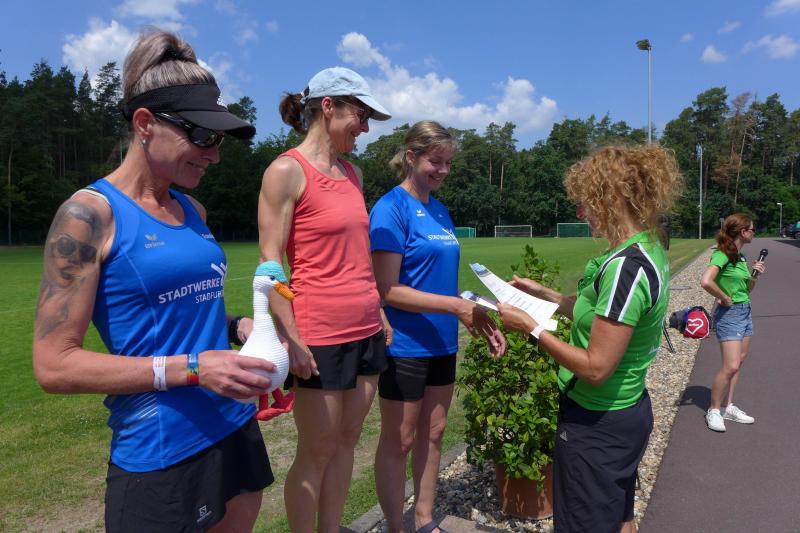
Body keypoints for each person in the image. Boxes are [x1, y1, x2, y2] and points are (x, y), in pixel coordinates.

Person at [32, 29, 276, 532]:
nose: (214, 154)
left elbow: (180, 310)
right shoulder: (88, 216)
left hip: (234, 425)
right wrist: (194, 368)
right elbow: (54, 366)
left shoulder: (192, 208)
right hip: (162, 452)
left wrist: (238, 326)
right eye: (202, 136)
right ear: (145, 123)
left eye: (219, 140)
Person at [496, 145, 681, 533]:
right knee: (621, 518)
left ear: (611, 198)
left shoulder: (625, 269)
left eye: (585, 202)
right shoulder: (647, 248)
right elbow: (601, 319)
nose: (581, 213)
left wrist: (531, 328)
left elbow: (596, 368)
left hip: (598, 425)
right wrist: (544, 294)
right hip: (625, 412)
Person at [257, 66, 393, 532]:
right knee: (316, 452)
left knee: (347, 442)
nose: (366, 128)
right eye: (361, 115)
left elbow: (356, 253)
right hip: (320, 336)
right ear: (329, 107)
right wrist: (291, 335)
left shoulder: (353, 173)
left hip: (366, 330)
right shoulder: (286, 171)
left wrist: (377, 310)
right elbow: (270, 264)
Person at [369, 121, 506, 533]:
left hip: (442, 342)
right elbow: (387, 289)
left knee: (434, 433)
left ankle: (425, 520)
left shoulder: (440, 210)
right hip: (404, 345)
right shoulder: (390, 208)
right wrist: (456, 306)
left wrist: (478, 308)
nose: (443, 170)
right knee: (401, 440)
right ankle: (396, 527)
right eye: (436, 161)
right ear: (411, 157)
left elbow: (439, 281)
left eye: (448, 162)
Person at [700, 213, 765, 432]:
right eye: (752, 229)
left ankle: (728, 407)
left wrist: (755, 275)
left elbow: (747, 289)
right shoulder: (722, 254)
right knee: (731, 365)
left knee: (740, 360)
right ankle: (713, 410)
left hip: (744, 310)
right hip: (730, 314)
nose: (754, 233)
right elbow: (706, 281)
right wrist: (724, 296)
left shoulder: (741, 257)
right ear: (743, 232)